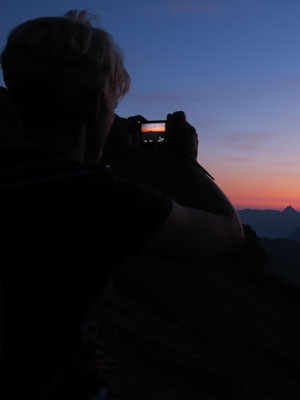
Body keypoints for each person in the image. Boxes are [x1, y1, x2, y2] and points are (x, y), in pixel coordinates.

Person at [0, 10, 244, 399]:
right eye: (114, 104)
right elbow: (229, 231)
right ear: (96, 105)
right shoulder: (104, 203)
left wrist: (94, 152)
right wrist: (187, 163)